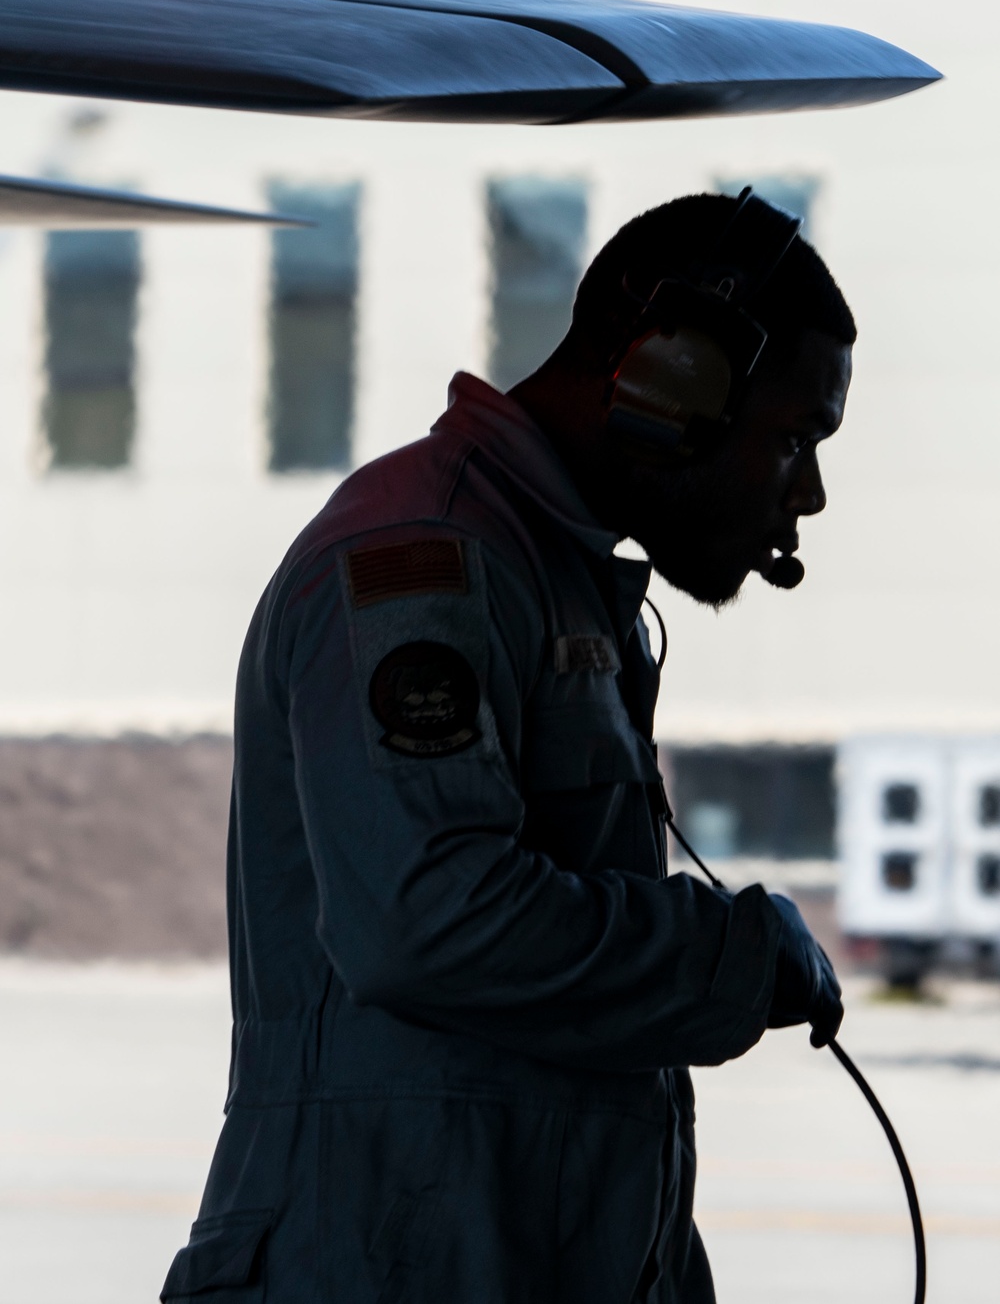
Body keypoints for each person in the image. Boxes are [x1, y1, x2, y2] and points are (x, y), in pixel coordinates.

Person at [161, 191, 848, 1304]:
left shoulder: (551, 573)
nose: (806, 494)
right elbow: (427, 922)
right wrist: (724, 957)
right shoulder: (423, 556)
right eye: (793, 439)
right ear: (672, 379)